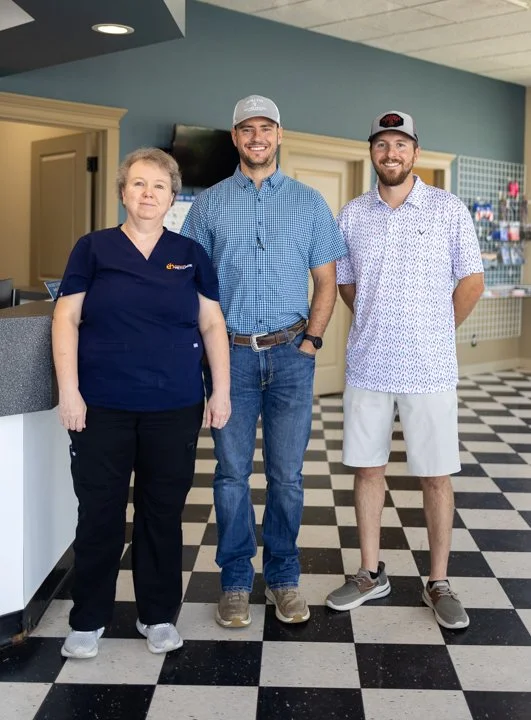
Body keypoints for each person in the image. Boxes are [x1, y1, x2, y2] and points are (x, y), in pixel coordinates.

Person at [52, 147, 230, 658]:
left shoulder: (191, 253)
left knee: (161, 513)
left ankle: (157, 617)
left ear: (173, 196)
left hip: (173, 405)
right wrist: (70, 391)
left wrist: (220, 390)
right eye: (138, 184)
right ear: (123, 192)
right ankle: (88, 620)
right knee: (100, 512)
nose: (148, 194)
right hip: (102, 404)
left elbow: (212, 323)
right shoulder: (93, 248)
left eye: (158, 186)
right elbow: (65, 319)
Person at [181, 95, 346, 627]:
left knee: (287, 477)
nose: (257, 137)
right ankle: (233, 582)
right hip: (228, 357)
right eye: (246, 129)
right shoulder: (208, 205)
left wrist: (312, 343)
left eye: (266, 128)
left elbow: (326, 280)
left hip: (292, 357)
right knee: (230, 476)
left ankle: (283, 579)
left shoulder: (309, 202)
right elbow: (192, 283)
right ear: (234, 137)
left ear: (280, 134)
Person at [326, 111, 484, 630]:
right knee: (367, 470)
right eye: (381, 144)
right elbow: (346, 283)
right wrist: (375, 317)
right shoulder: (351, 214)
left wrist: (436, 327)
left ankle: (437, 582)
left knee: (436, 477)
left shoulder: (447, 209)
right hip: (368, 364)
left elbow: (471, 283)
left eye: (400, 144)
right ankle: (371, 573)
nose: (390, 153)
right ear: (371, 151)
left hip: (430, 368)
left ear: (415, 152)